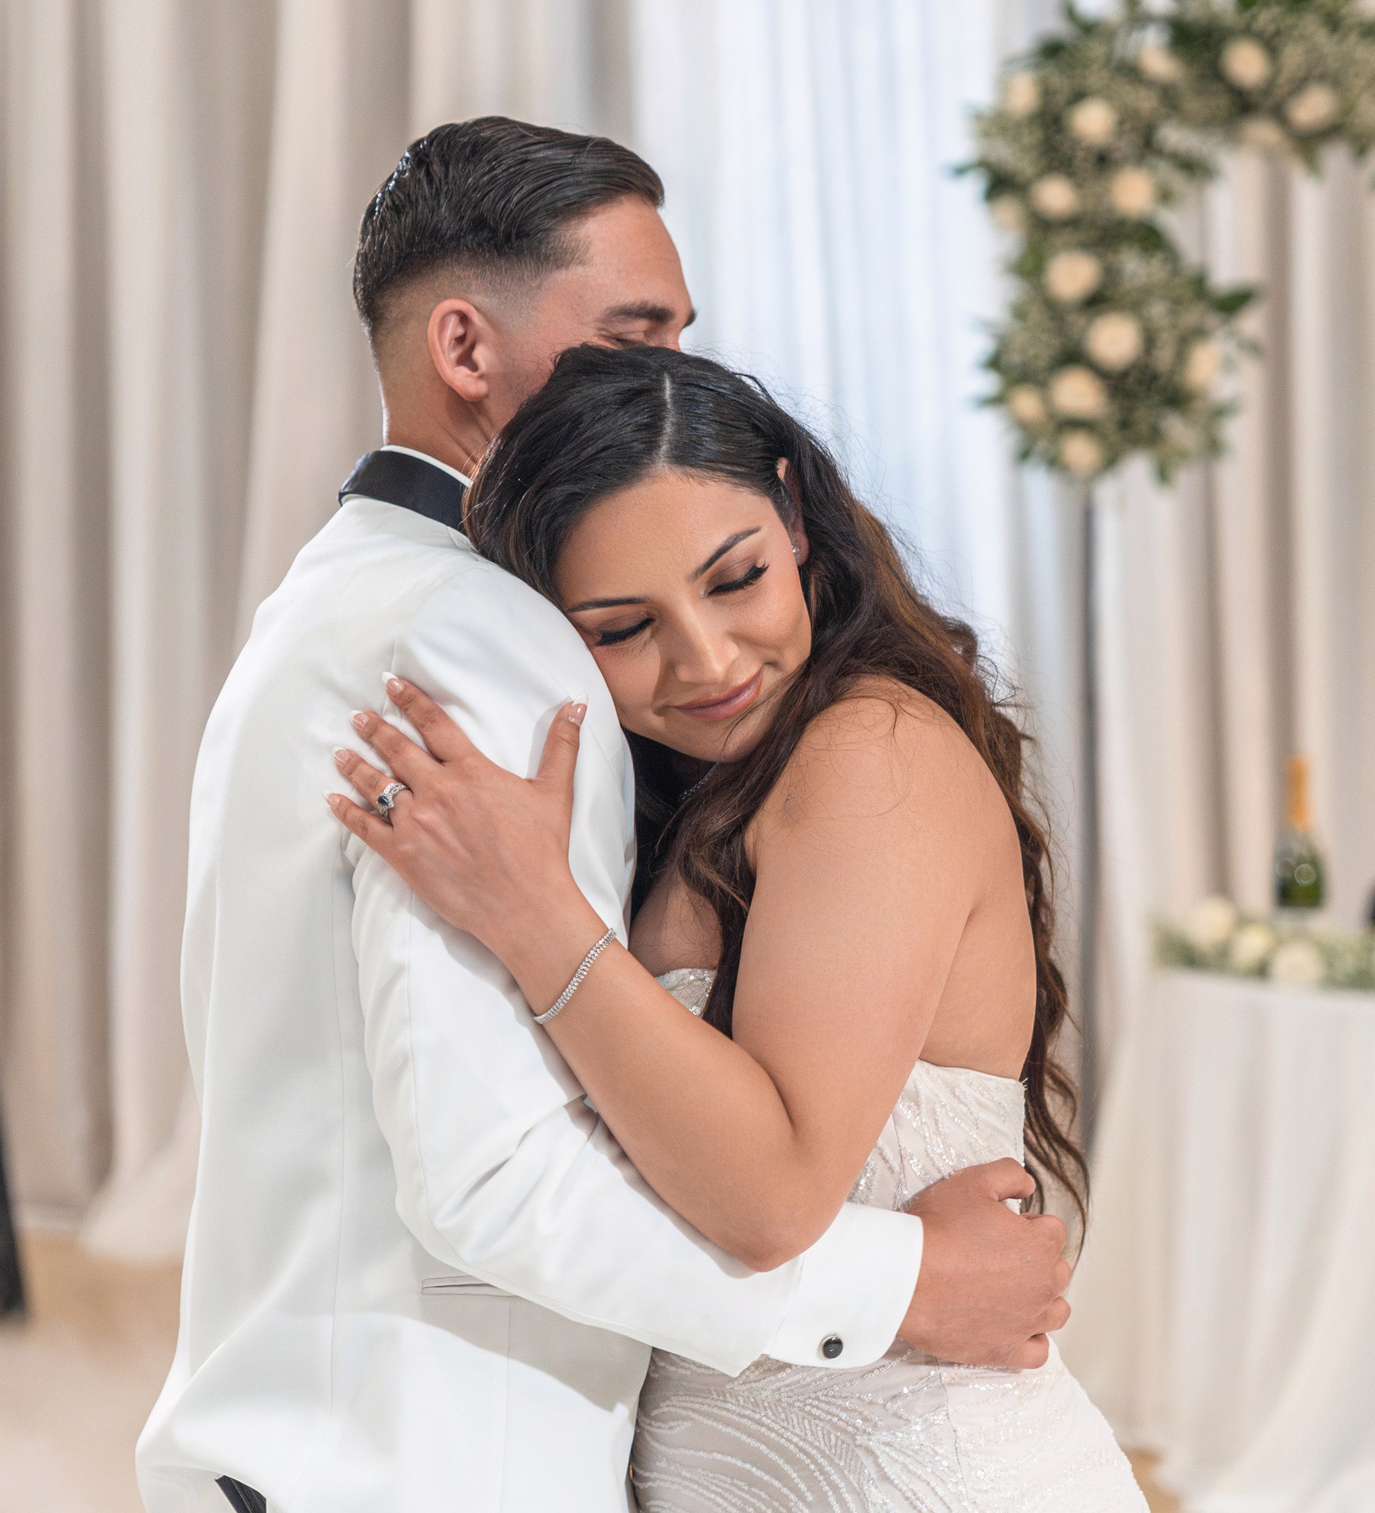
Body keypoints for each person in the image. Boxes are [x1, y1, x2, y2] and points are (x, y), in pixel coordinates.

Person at [137, 117, 1074, 1513]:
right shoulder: (475, 633)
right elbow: (496, 1174)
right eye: (633, 336)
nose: (672, 376)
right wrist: (905, 1284)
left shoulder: (333, 601)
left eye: (681, 336)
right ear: (464, 347)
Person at [327, 343, 1147, 1512]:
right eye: (623, 627)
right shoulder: (710, 793)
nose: (707, 660)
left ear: (795, 519)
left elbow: (771, 1198)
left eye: (735, 578)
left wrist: (534, 914)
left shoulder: (868, 756)